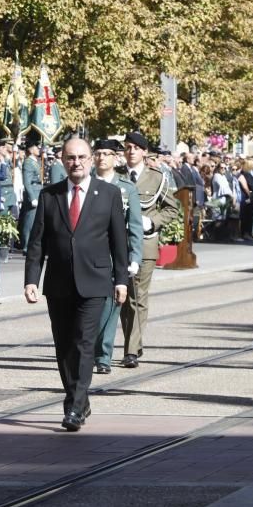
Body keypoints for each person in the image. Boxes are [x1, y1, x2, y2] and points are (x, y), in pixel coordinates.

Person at [24, 137, 128, 431]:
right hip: (58, 283)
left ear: (92, 158)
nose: (77, 163)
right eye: (71, 158)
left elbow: (119, 241)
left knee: (84, 343)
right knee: (65, 345)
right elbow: (37, 242)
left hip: (95, 282)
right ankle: (79, 399)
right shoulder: (50, 195)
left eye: (82, 157)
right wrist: (31, 278)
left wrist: (121, 280)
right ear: (62, 160)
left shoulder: (108, 194)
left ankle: (74, 406)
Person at [117, 131, 180, 368]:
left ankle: (130, 349)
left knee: (137, 297)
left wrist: (153, 222)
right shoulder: (118, 176)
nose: (131, 151)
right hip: (118, 244)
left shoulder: (156, 178)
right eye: (127, 147)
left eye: (135, 148)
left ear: (144, 152)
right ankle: (134, 342)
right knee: (121, 298)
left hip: (145, 243)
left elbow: (172, 209)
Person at [91, 138, 142, 375]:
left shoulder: (126, 187)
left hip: (114, 254)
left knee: (112, 305)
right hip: (88, 253)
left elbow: (134, 226)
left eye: (107, 154)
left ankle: (103, 355)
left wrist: (135, 257)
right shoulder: (85, 182)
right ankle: (89, 349)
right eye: (98, 153)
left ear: (115, 158)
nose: (102, 158)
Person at [19, 132, 43, 250]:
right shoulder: (28, 162)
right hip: (33, 192)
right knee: (30, 220)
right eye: (36, 147)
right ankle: (26, 245)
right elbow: (27, 182)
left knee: (34, 220)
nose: (38, 149)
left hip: (38, 191)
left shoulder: (34, 161)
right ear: (31, 149)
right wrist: (32, 197)